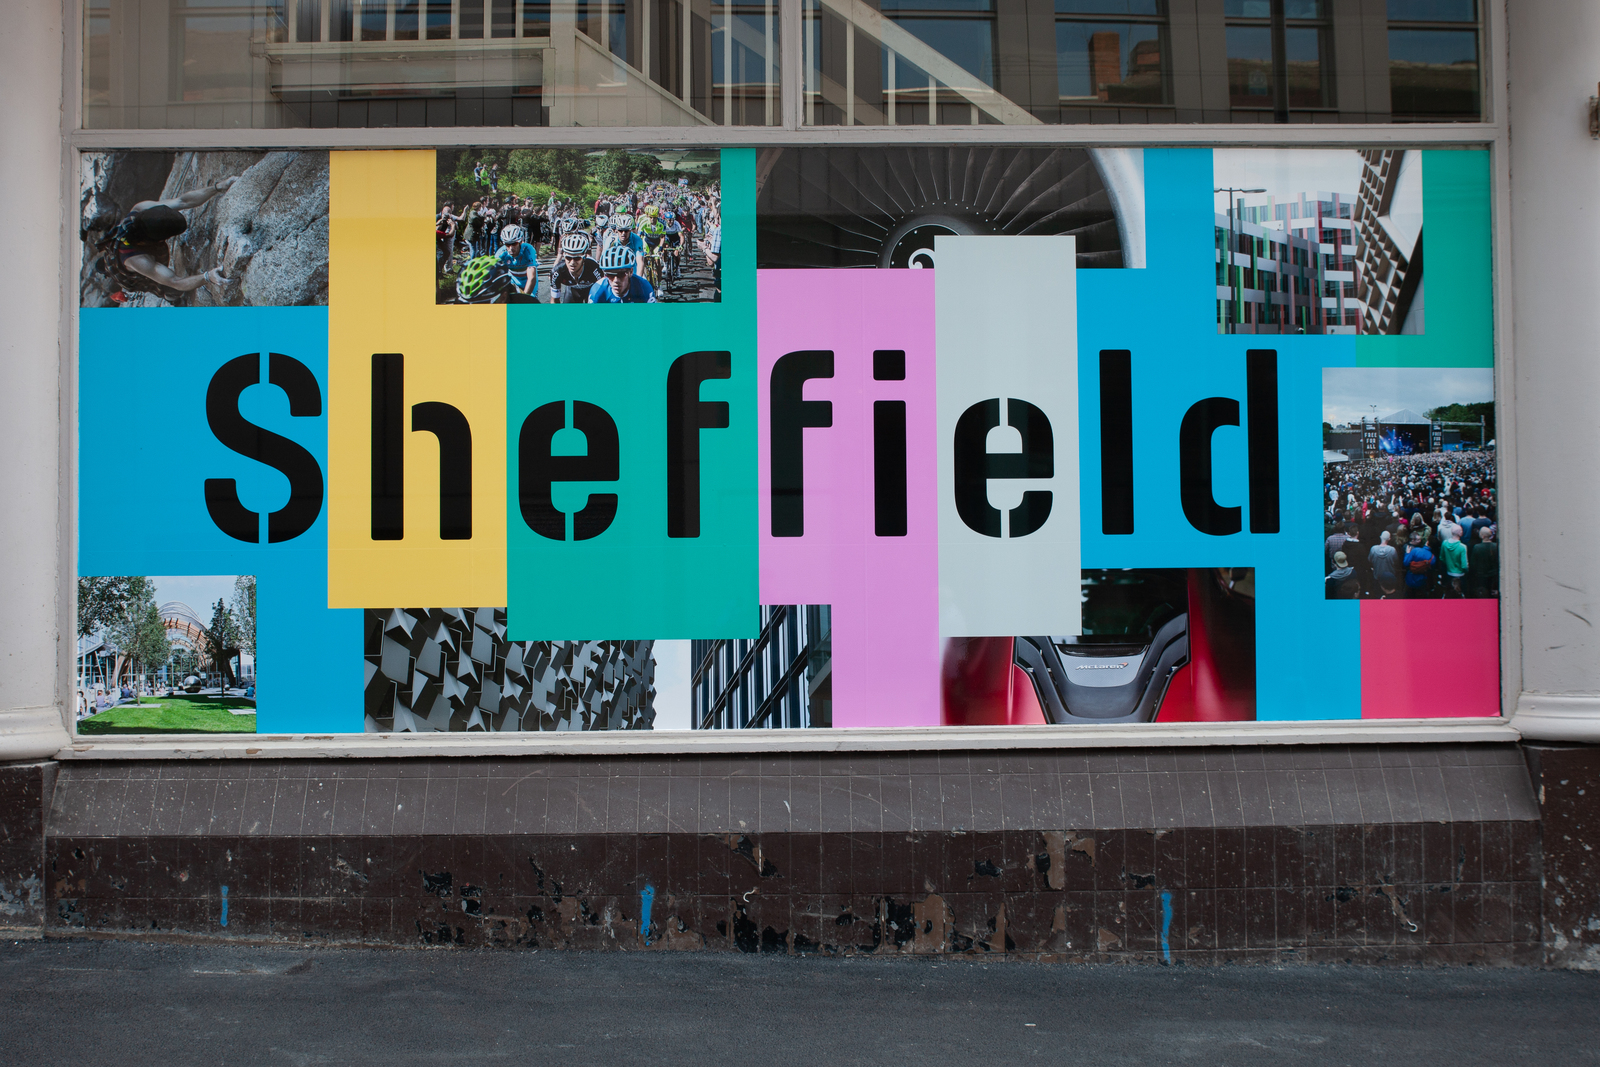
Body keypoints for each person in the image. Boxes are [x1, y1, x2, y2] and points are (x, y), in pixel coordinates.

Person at [88, 176, 237, 301]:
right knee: (165, 288)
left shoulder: (141, 208)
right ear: (156, 241)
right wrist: (207, 276)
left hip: (120, 246)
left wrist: (218, 187)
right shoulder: (137, 260)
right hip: (119, 265)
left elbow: (182, 201)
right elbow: (175, 282)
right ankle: (172, 299)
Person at [589, 242, 657, 303]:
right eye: (610, 275)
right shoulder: (597, 291)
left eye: (621, 274)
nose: (616, 280)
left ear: (631, 272)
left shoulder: (644, 287)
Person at [551, 232, 602, 303]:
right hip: (572, 290)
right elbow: (555, 300)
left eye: (577, 258)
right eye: (568, 258)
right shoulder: (557, 271)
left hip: (591, 290)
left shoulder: (594, 268)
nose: (572, 262)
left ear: (584, 258)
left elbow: (604, 296)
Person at [493, 225, 538, 299]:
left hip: (528, 280)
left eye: (514, 243)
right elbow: (494, 275)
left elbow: (531, 278)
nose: (511, 248)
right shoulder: (501, 253)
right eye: (507, 244)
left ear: (520, 242)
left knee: (529, 303)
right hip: (513, 282)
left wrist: (524, 299)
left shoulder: (528, 249)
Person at [1469, 525, 1499, 598]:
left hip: (1481, 575)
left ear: (1482, 536)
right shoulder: (1495, 546)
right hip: (1493, 574)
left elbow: (1473, 563)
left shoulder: (1477, 547)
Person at [1402, 532, 1436, 598]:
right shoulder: (1433, 558)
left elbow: (1405, 563)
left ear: (1427, 542)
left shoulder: (1415, 551)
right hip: (1422, 581)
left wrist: (1407, 554)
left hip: (1410, 579)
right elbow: (1431, 570)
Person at [1368, 530, 1401, 598]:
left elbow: (1369, 560)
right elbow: (1396, 561)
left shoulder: (1373, 549)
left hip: (1377, 576)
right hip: (1390, 577)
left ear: (1380, 537)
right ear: (1389, 539)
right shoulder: (1392, 550)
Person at [1440, 524, 1469, 597]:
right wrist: (1466, 570)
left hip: (1449, 572)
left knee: (1449, 593)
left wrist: (1449, 564)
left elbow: (1442, 557)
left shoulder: (1444, 543)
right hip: (1460, 574)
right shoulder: (1462, 547)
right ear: (1460, 533)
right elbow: (1464, 565)